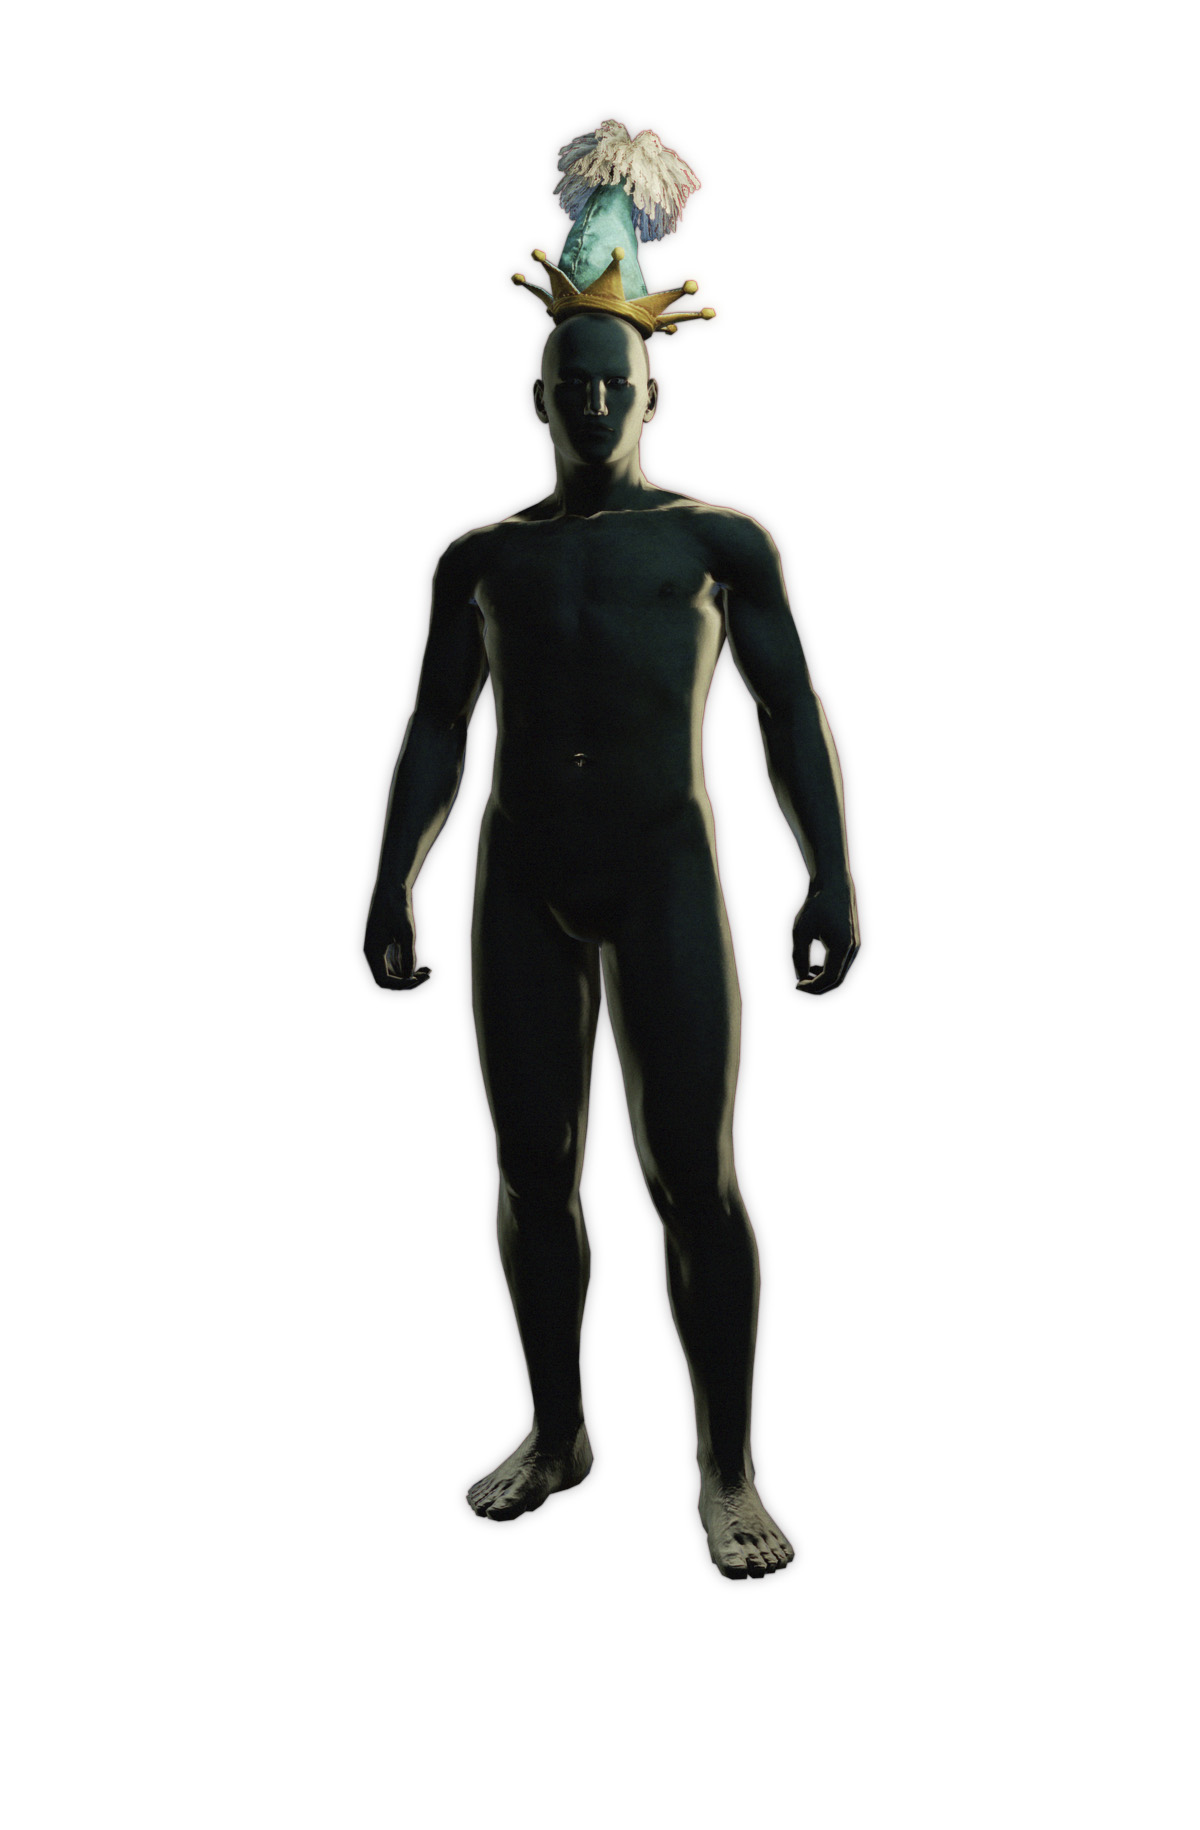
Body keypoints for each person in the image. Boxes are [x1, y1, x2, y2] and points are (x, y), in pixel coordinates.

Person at [363, 125, 860, 1578]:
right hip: (522, 878)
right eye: (570, 385)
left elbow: (788, 711)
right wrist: (392, 874)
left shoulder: (717, 545)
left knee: (693, 1177)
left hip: (660, 875)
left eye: (614, 384)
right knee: (532, 1169)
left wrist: (831, 869)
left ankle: (728, 1467)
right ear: (538, 394)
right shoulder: (484, 561)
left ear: (651, 389)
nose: (592, 404)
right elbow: (436, 726)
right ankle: (559, 1428)